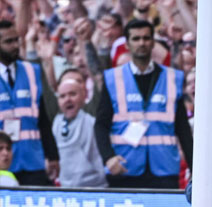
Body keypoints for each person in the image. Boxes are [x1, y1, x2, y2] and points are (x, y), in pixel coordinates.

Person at [94, 19, 193, 189]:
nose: (142, 43)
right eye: (136, 38)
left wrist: (195, 168)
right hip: (125, 168)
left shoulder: (172, 78)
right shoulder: (113, 79)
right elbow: (101, 125)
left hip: (164, 169)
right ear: (127, 44)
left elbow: (182, 128)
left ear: (153, 42)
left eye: (146, 38)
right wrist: (108, 157)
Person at [0, 20, 59, 185]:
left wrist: (52, 155)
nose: (15, 45)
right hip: (3, 164)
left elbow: (43, 119)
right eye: (8, 42)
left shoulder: (31, 71)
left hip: (33, 160)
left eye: (16, 40)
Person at [52, 77, 107, 188]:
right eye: (62, 96)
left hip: (94, 188)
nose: (67, 99)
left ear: (83, 96)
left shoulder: (92, 123)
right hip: (65, 190)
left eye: (72, 94)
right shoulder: (56, 123)